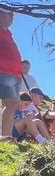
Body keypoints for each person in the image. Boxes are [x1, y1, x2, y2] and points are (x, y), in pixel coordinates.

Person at [0, 10, 22, 140]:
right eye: (9, 15)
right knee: (11, 102)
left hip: (15, 73)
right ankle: (5, 136)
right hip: (4, 71)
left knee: (10, 104)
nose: (12, 18)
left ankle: (6, 135)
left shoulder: (8, 34)